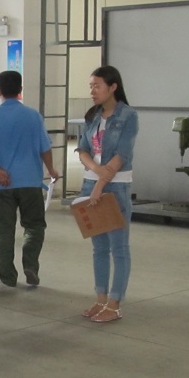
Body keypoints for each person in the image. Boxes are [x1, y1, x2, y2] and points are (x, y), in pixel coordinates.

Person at [0, 70, 59, 287]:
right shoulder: (33, 116)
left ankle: (8, 277)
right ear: (20, 90)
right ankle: (30, 263)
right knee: (34, 226)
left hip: (2, 185)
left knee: (4, 231)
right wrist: (51, 169)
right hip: (30, 181)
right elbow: (45, 148)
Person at [76, 65, 138, 323]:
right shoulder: (93, 115)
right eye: (91, 86)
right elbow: (82, 149)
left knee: (118, 248)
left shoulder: (128, 116)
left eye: (97, 86)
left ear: (113, 87)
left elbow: (122, 155)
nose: (92, 91)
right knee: (99, 248)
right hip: (91, 184)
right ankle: (100, 299)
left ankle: (114, 304)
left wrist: (100, 184)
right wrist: (96, 171)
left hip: (115, 188)